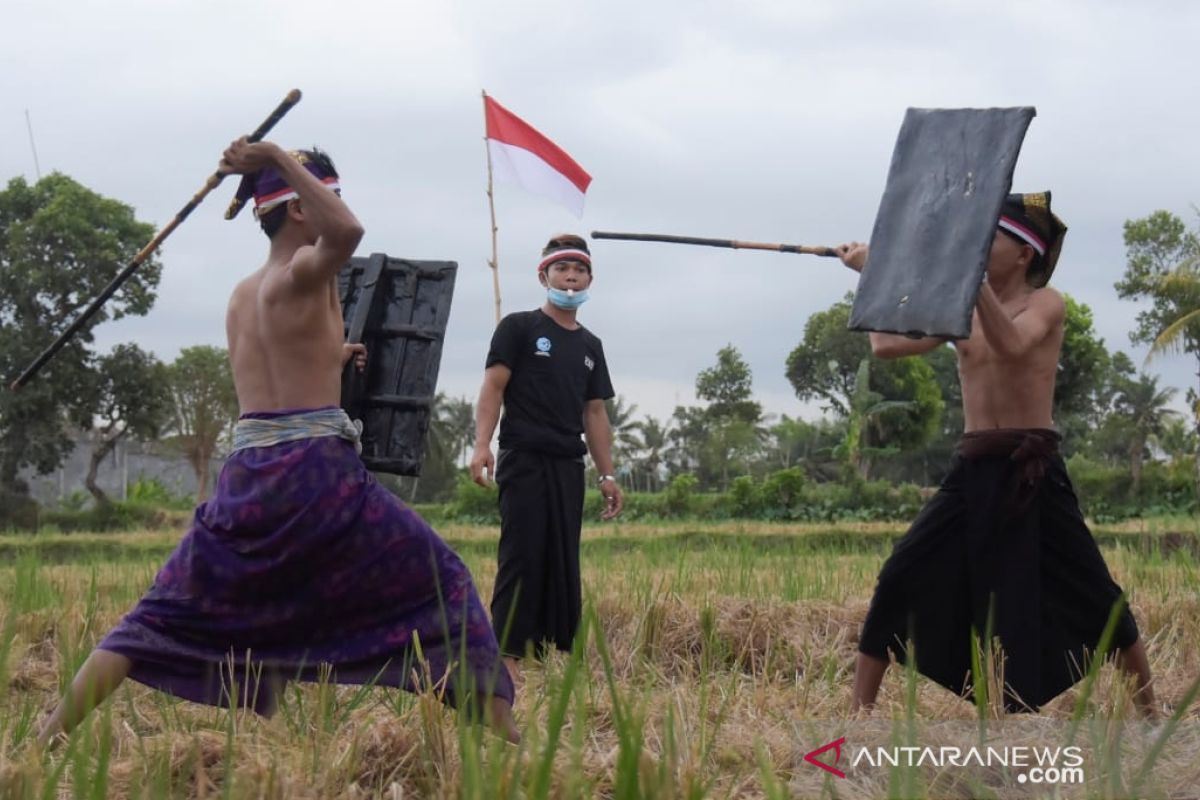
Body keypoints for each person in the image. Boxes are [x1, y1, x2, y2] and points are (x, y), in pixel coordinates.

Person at [39, 138, 517, 744]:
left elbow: (277, 368)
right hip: (314, 474)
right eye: (326, 195)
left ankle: (48, 736)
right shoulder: (305, 270)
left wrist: (332, 355)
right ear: (298, 209)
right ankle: (509, 745)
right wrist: (275, 154)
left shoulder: (245, 294)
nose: (335, 206)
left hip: (247, 476)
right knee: (445, 582)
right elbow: (348, 231)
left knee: (151, 619)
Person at [840, 192, 1156, 716]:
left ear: (1024, 254)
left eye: (991, 239)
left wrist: (968, 279)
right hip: (972, 467)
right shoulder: (962, 307)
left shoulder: (1046, 304)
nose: (980, 247)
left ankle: (1150, 715)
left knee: (1096, 592)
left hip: (1031, 468)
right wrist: (876, 275)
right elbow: (885, 345)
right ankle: (856, 718)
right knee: (900, 573)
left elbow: (1011, 344)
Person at [470, 234, 623, 676]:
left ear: (590, 278)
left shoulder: (591, 346)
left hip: (568, 464)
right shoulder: (519, 328)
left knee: (560, 557)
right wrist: (482, 444)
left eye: (579, 269)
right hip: (523, 457)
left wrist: (607, 475)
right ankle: (507, 658)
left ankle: (546, 650)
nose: (571, 276)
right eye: (562, 268)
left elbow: (594, 413)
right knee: (521, 554)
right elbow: (492, 388)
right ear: (544, 276)